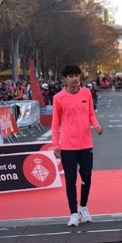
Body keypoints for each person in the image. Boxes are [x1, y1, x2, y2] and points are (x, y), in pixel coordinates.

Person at [51, 65, 103, 227]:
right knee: (70, 180)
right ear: (65, 79)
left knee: (86, 176)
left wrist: (96, 125)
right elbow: (55, 124)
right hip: (67, 146)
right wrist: (55, 145)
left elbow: (90, 114)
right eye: (71, 76)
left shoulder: (86, 93)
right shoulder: (58, 98)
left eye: (77, 76)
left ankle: (84, 208)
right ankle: (73, 213)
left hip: (85, 143)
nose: (74, 79)